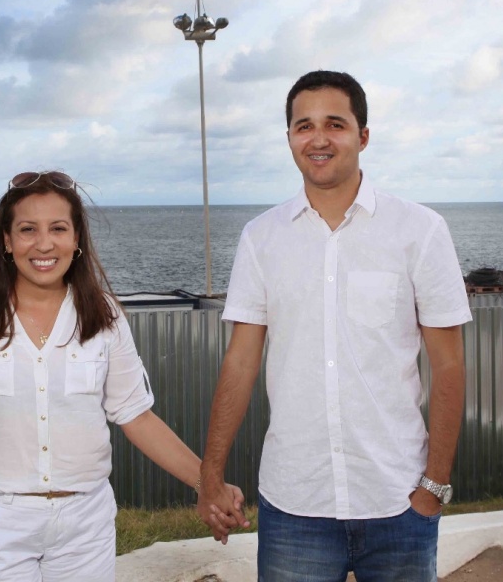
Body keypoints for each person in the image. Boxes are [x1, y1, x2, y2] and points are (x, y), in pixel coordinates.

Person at [0, 171, 239, 582]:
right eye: (27, 229)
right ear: (6, 240)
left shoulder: (105, 318)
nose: (43, 244)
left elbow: (136, 416)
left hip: (84, 528)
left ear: (76, 239)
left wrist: (207, 483)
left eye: (58, 228)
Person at [195, 71, 472, 582]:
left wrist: (434, 487)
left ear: (363, 136)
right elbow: (239, 362)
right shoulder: (261, 238)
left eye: (335, 124)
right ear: (289, 139)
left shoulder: (420, 230)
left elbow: (449, 365)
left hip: (398, 500)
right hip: (294, 504)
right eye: (304, 126)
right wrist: (209, 477)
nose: (318, 138)